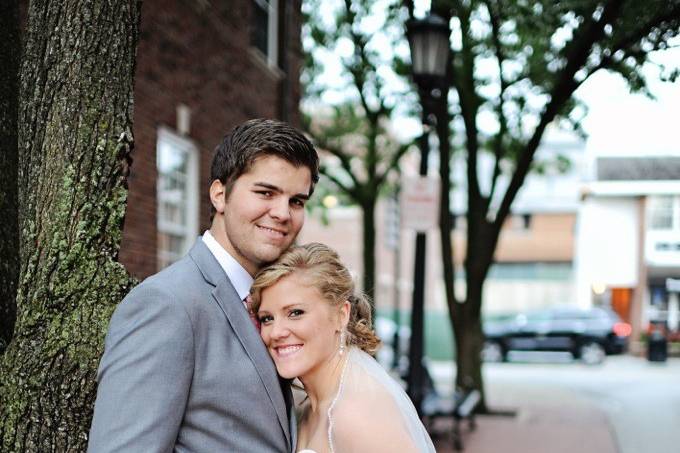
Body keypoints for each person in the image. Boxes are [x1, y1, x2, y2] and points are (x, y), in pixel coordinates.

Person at [88, 118, 319, 452]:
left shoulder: (270, 303)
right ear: (220, 195)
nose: (283, 213)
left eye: (297, 201)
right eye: (266, 192)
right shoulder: (166, 304)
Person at [251, 243, 436, 453]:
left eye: (295, 313)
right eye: (267, 318)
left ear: (342, 315)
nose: (276, 332)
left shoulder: (359, 414)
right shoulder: (307, 408)